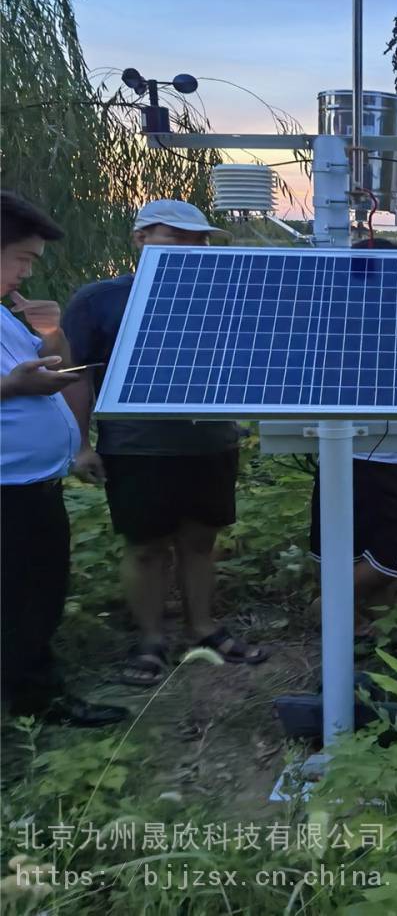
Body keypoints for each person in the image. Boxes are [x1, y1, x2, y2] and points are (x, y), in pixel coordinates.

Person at [62, 199, 268, 686]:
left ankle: (203, 629)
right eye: (173, 236)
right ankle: (150, 639)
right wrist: (81, 444)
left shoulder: (223, 296)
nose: (188, 247)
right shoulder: (100, 300)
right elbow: (76, 377)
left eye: (197, 239)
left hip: (211, 442)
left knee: (201, 540)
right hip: (136, 445)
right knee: (144, 546)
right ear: (140, 239)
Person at [0, 190, 129, 726]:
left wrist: (50, 332)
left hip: (35, 489)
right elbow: (15, 385)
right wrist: (11, 388)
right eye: (22, 259)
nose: (25, 274)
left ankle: (37, 699)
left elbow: (51, 368)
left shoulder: (6, 317)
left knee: (37, 601)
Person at [309, 239, 397, 638]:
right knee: (342, 549)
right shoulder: (334, 324)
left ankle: (334, 604)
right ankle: (363, 636)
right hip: (344, 454)